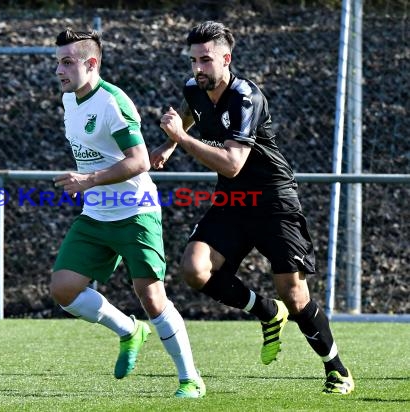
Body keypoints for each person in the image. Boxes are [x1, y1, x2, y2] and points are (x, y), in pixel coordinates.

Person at [151, 21, 354, 395]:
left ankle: (336, 369)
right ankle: (265, 311)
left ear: (226, 59)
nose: (198, 68)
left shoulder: (246, 97)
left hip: (273, 199)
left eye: (206, 60)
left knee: (294, 296)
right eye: (194, 60)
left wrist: (179, 136)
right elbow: (188, 114)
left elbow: (231, 163)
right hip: (233, 200)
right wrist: (169, 146)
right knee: (194, 270)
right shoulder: (194, 89)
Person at [49, 27, 205, 398]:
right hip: (97, 213)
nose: (59, 71)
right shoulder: (71, 99)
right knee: (63, 289)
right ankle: (128, 330)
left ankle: (190, 379)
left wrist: (90, 179)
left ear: (92, 63)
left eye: (68, 62)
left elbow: (139, 162)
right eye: (58, 62)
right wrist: (91, 185)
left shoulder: (112, 102)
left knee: (151, 297)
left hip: (136, 211)